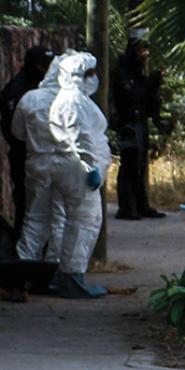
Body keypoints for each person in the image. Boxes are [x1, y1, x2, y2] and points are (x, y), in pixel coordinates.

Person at [47, 52, 112, 299]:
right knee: (84, 222)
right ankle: (71, 278)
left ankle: (66, 275)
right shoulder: (73, 100)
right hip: (78, 170)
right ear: (79, 75)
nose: (94, 78)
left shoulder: (73, 98)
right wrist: (91, 167)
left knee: (76, 221)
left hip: (71, 167)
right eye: (90, 73)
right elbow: (81, 137)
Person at [12, 54, 68, 265]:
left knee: (35, 217)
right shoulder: (74, 100)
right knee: (60, 217)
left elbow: (18, 133)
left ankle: (26, 265)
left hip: (37, 163)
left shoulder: (30, 98)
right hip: (66, 164)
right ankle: (55, 267)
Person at [0, 45, 56, 233]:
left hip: (46, 155)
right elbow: (13, 130)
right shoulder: (16, 90)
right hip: (25, 155)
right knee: (27, 205)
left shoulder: (46, 88)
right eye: (44, 66)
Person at [111, 37, 165, 220]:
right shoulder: (123, 73)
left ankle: (141, 206)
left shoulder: (138, 73)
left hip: (139, 122)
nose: (144, 55)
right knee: (129, 165)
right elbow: (131, 95)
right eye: (141, 50)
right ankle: (126, 207)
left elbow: (148, 98)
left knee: (140, 165)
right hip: (128, 123)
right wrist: (151, 84)